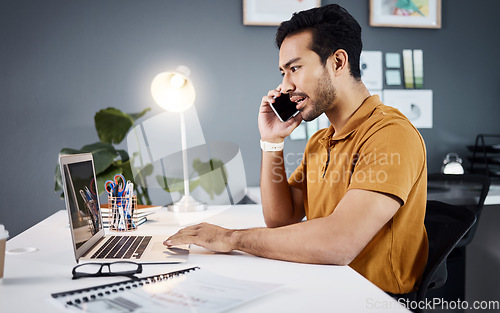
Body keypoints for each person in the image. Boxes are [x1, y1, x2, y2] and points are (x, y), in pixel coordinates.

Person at [164, 4, 428, 295]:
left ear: (338, 62)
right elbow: (281, 219)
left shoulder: (390, 134)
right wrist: (272, 141)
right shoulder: (320, 141)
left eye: (295, 68)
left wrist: (231, 238)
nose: (285, 85)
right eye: (283, 72)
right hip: (324, 285)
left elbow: (339, 243)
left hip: (370, 298)